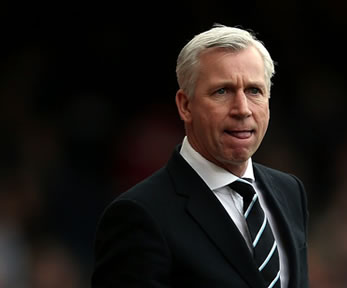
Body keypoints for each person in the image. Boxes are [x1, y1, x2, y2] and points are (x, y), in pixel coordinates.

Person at [91, 23, 310, 288]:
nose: (242, 109)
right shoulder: (140, 214)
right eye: (222, 91)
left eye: (254, 91)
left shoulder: (290, 192)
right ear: (185, 105)